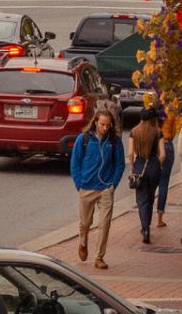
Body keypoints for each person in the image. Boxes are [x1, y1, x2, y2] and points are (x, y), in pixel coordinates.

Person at [70, 109, 126, 270]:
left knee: (105, 224)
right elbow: (75, 163)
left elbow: (120, 164)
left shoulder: (114, 141)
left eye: (108, 125)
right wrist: (79, 184)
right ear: (95, 122)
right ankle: (83, 241)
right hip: (86, 187)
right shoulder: (84, 139)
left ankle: (99, 257)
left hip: (105, 188)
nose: (105, 128)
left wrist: (113, 185)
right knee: (85, 223)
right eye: (102, 124)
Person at [128, 99, 164, 245]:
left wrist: (133, 167)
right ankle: (147, 225)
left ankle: (145, 228)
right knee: (150, 197)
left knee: (141, 199)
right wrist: (158, 164)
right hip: (154, 166)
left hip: (140, 165)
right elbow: (163, 155)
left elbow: (130, 153)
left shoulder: (133, 132)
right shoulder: (157, 132)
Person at [155, 108, 179, 229]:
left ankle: (146, 217)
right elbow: (175, 130)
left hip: (154, 144)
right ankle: (159, 218)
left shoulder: (153, 106)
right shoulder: (172, 110)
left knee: (150, 184)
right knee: (163, 184)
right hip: (167, 143)